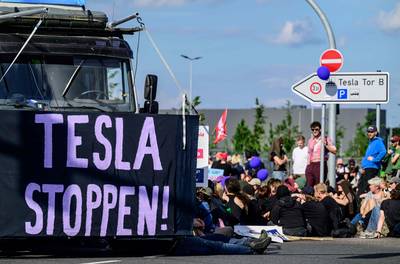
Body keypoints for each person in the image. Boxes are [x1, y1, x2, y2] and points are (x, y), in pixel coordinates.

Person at [305, 121, 337, 187]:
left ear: (320, 129)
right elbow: (309, 153)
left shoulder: (325, 138)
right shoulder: (310, 140)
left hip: (320, 164)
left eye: (316, 129)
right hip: (311, 164)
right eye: (312, 130)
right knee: (309, 184)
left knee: (318, 185)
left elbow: (334, 150)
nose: (314, 131)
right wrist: (308, 165)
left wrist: (326, 145)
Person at [358, 125, 386, 196]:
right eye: (368, 132)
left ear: (375, 133)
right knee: (361, 187)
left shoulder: (378, 141)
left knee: (367, 188)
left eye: (371, 132)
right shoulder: (371, 142)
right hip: (367, 168)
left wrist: (375, 159)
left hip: (372, 168)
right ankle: (361, 205)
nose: (369, 133)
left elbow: (383, 151)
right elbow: (367, 156)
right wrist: (363, 166)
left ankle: (368, 205)